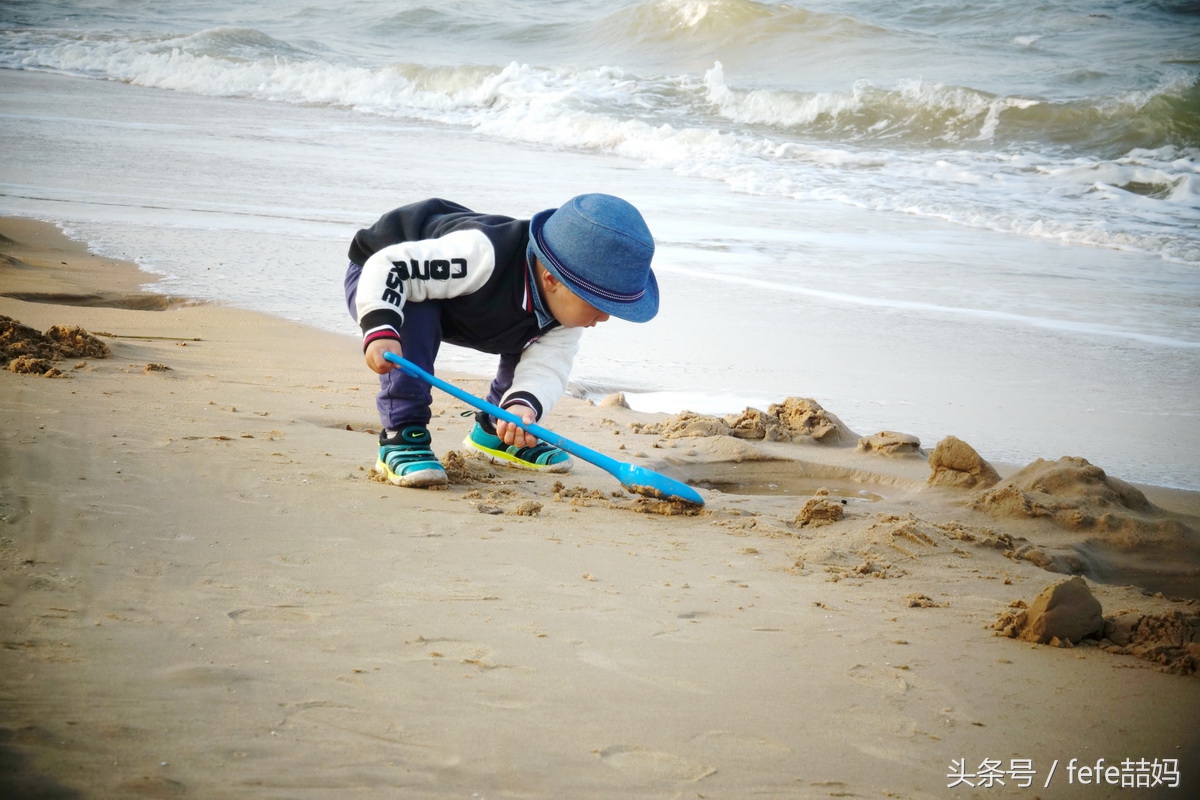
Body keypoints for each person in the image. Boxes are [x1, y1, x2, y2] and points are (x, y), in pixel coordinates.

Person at [344, 194, 658, 488]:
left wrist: (521, 406)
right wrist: (379, 326)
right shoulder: (480, 255)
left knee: (535, 340)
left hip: (476, 312)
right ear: (552, 279)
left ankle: (496, 431)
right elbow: (391, 267)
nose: (604, 317)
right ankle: (403, 432)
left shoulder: (564, 311)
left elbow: (548, 368)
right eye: (598, 303)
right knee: (417, 310)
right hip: (389, 278)